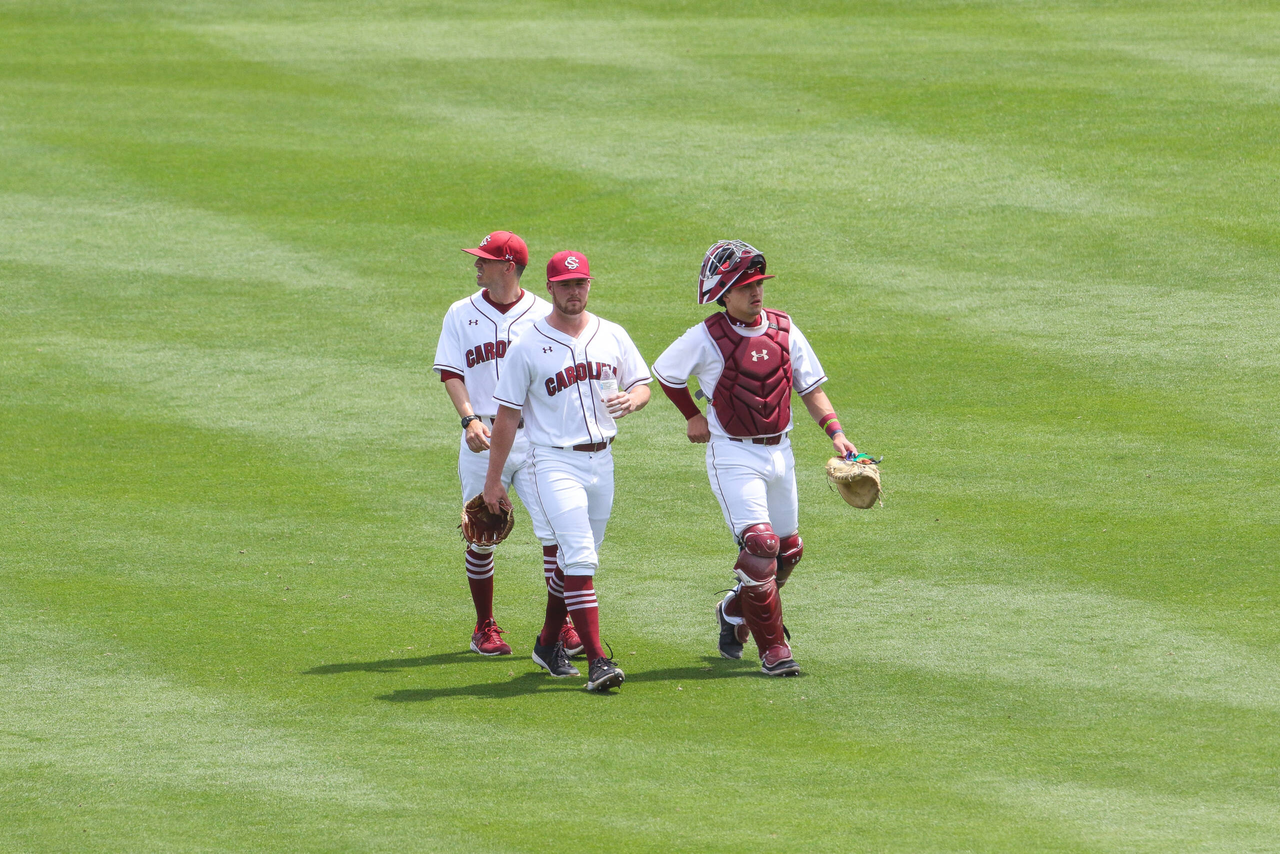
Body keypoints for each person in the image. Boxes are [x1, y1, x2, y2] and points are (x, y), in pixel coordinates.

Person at [651, 240, 858, 676]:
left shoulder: (784, 328)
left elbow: (810, 388)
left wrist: (837, 434)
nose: (756, 292)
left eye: (759, 283)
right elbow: (667, 373)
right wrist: (692, 415)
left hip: (781, 451)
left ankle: (733, 609)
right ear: (724, 294)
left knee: (788, 550)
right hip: (733, 455)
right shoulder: (706, 336)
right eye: (746, 286)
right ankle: (774, 650)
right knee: (761, 545)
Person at [484, 250, 652, 692]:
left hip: (603, 461)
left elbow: (641, 383)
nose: (573, 292)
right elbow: (507, 416)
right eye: (565, 285)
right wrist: (493, 480)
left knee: (576, 561)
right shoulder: (528, 344)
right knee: (578, 556)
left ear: (589, 285)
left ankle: (546, 643)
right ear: (550, 288)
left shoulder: (611, 333)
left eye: (580, 284)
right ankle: (598, 661)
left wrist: (634, 400)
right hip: (552, 461)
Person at [433, 231, 583, 658]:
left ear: (509, 266)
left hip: (537, 439)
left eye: (484, 259)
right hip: (481, 436)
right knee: (481, 530)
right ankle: (484, 626)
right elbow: (451, 373)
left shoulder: (543, 314)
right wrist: (468, 420)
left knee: (556, 534)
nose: (476, 264)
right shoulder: (460, 312)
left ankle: (562, 624)